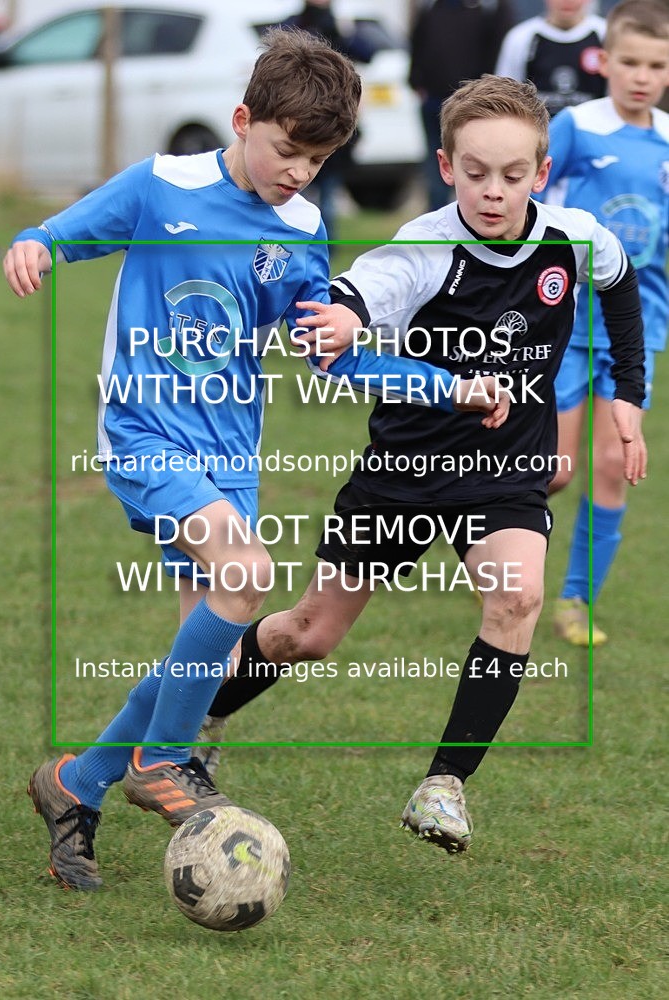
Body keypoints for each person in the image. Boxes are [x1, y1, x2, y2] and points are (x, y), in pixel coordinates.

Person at [6, 28, 503, 891]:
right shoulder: (162, 185)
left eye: (317, 160)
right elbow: (63, 233)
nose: (299, 172)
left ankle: (77, 783)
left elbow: (334, 356)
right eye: (286, 150)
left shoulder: (303, 228)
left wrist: (447, 384)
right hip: (146, 435)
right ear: (243, 121)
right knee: (246, 572)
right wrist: (36, 246)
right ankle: (164, 759)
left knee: (214, 654)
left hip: (230, 458)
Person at [195, 74, 647, 855]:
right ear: (445, 167)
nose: (493, 191)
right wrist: (341, 315)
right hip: (402, 471)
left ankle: (444, 785)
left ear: (541, 173)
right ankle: (194, 720)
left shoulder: (573, 238)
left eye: (512, 175)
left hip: (504, 472)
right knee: (308, 633)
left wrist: (627, 395)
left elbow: (617, 282)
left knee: (517, 598)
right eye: (475, 173)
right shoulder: (426, 246)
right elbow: (368, 286)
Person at [541, 0, 669, 645]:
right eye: (631, 62)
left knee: (615, 465)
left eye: (657, 66)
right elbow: (530, 202)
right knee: (555, 470)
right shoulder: (576, 127)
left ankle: (576, 600)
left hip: (635, 328)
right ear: (604, 61)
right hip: (564, 325)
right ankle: (495, 546)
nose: (642, 77)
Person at [409, 0, 514, 210]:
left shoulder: (487, 10)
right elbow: (417, 46)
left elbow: (495, 52)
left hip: (471, 106)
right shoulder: (431, 9)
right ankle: (437, 221)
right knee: (436, 168)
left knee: (475, 166)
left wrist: (482, 94)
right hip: (434, 102)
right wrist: (416, 82)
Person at [281, 1, 372, 240]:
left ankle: (325, 244)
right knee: (297, 192)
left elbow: (366, 53)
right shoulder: (296, 24)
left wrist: (345, 33)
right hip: (300, 119)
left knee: (328, 193)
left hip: (333, 120)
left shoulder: (338, 26)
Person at [495, 0, 607, 116]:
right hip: (536, 126)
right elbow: (504, 97)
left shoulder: (605, 35)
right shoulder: (520, 37)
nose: (567, 1)